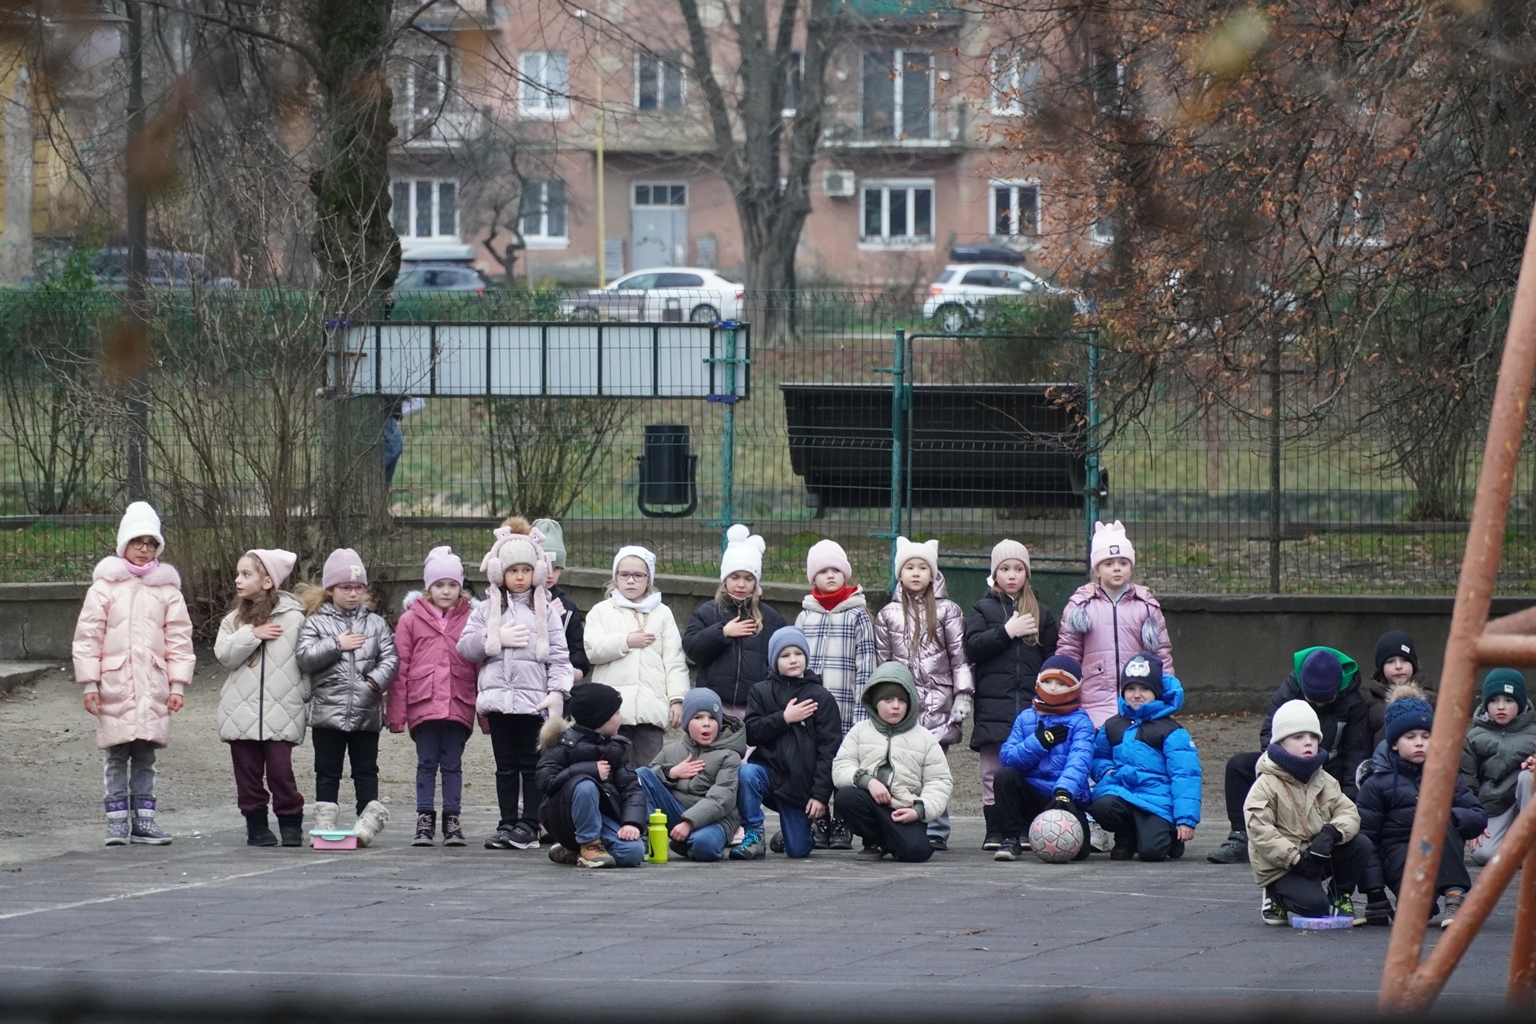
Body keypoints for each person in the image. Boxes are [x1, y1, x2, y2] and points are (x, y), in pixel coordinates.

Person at [71, 502, 195, 847]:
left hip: (153, 685)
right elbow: (88, 638)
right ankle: (116, 821)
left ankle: (144, 820)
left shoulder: (168, 591)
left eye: (151, 543)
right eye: (138, 542)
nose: (144, 549)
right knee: (115, 753)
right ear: (123, 543)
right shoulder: (104, 589)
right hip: (114, 685)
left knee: (145, 755)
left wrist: (178, 684)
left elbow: (179, 640)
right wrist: (90, 684)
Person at [457, 519, 573, 850]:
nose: (519, 576)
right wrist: (494, 637)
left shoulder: (545, 610)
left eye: (526, 569)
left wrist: (556, 693)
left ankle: (529, 824)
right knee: (504, 767)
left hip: (532, 702)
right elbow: (465, 647)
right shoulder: (486, 609)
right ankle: (507, 822)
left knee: (531, 764)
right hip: (498, 701)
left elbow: (560, 657)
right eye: (513, 570)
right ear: (500, 573)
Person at [1208, 646, 1371, 864]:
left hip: (1328, 770)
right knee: (1238, 766)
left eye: (1326, 701)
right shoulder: (1288, 690)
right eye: (1313, 700)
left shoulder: (1353, 702)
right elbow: (1269, 734)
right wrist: (1279, 770)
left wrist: (1349, 808)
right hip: (1286, 766)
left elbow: (1356, 755)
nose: (1319, 705)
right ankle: (1240, 836)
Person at [873, 536, 973, 851]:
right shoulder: (887, 614)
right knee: (901, 764)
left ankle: (937, 828)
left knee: (934, 766)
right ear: (899, 573)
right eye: (909, 567)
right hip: (902, 703)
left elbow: (959, 657)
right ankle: (903, 824)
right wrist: (882, 699)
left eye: (922, 567)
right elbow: (884, 663)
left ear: (933, 573)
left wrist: (963, 694)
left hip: (939, 701)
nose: (916, 573)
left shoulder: (948, 611)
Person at [1358, 685, 1486, 929]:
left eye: (1426, 736)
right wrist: (1375, 894)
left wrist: (1451, 817)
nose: (1419, 743)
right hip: (1400, 856)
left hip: (1439, 851)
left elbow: (1477, 816)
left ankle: (1454, 894)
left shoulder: (1445, 776)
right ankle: (1419, 900)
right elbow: (1368, 838)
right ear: (1394, 743)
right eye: (1410, 737)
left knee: (1440, 818)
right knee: (1418, 911)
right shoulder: (1376, 783)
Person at [296, 548, 398, 846]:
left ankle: (367, 820)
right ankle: (325, 821)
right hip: (327, 712)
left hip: (366, 711)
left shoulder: (376, 623)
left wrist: (374, 683)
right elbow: (304, 657)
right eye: (345, 587)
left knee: (366, 770)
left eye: (358, 588)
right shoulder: (315, 622)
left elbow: (390, 658)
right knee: (327, 770)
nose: (352, 594)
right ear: (330, 589)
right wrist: (336, 644)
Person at [965, 539, 1059, 850]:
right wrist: (1008, 631)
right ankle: (995, 829)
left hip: (1032, 708)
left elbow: (1051, 659)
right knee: (993, 770)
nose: (1012, 575)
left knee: (1028, 766)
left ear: (1027, 574)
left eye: (1018, 569)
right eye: (1004, 569)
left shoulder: (1042, 614)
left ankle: (1022, 827)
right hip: (995, 706)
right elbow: (973, 647)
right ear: (994, 574)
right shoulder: (983, 608)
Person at [1245, 699, 1374, 926]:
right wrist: (1294, 858)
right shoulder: (1266, 783)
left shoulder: (1324, 779)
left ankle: (1339, 895)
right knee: (1314, 907)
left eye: (1314, 737)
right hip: (1281, 865)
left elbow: (1349, 812)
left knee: (1361, 843)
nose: (1309, 743)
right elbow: (1259, 829)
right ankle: (1275, 894)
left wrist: (1332, 832)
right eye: (1298, 737)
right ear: (1281, 743)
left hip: (1317, 856)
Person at [214, 549, 309, 847]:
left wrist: (302, 693)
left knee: (281, 771)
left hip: (282, 709)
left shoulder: (296, 618)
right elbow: (225, 655)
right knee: (248, 773)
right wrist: (254, 633)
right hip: (240, 711)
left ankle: (291, 821)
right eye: (238, 574)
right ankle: (256, 824)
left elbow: (308, 659)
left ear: (268, 581)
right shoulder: (233, 620)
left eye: (246, 574)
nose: (237, 580)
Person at [388, 546, 478, 847]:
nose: (446, 591)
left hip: (458, 701)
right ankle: (424, 820)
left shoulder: (472, 618)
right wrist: (396, 715)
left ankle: (452, 821)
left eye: (452, 585)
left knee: (452, 763)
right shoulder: (410, 620)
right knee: (426, 762)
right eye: (439, 585)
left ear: (460, 587)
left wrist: (486, 717)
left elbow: (480, 664)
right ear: (428, 587)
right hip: (423, 703)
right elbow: (401, 667)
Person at [795, 538, 876, 850]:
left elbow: (866, 666)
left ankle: (843, 820)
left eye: (836, 570)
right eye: (823, 571)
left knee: (843, 764)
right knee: (812, 763)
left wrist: (862, 713)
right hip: (812, 710)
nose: (830, 576)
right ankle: (820, 818)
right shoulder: (805, 616)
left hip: (845, 708)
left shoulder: (856, 615)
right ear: (813, 578)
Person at [1055, 520, 1174, 729]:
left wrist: (1167, 688)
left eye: (1123, 562)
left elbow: (1160, 652)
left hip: (1137, 699)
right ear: (1097, 569)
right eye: (1108, 563)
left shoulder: (1146, 606)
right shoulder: (1080, 606)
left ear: (1131, 566)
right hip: (1092, 702)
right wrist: (1065, 692)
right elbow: (1068, 652)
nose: (1116, 568)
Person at [832, 663, 953, 863]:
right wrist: (868, 781)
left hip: (904, 808)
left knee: (917, 853)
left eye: (901, 700)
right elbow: (841, 767)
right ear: (875, 702)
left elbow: (939, 781)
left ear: (910, 703)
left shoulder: (925, 737)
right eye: (888, 699)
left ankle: (890, 842)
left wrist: (918, 811)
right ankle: (875, 841)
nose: (895, 706)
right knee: (845, 797)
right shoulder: (860, 731)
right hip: (870, 802)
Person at [1087, 652, 1201, 862]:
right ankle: (1125, 836)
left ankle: (1171, 836)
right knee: (1101, 805)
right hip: (1122, 792)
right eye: (1130, 688)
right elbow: (1097, 756)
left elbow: (1186, 775)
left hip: (1156, 799)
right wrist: (1105, 771)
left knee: (1152, 853)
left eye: (1144, 689)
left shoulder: (1170, 731)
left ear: (1156, 692)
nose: (1136, 695)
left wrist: (1186, 819)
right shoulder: (1113, 725)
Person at [583, 545, 688, 768]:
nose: (631, 581)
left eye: (638, 575)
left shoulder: (662, 614)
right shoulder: (601, 611)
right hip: (611, 712)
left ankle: (652, 806)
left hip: (650, 710)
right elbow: (593, 649)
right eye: (625, 575)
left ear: (648, 579)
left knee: (651, 771)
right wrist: (626, 641)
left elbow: (674, 660)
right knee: (616, 771)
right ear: (616, 577)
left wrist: (677, 699)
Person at [742, 626, 843, 858]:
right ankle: (754, 833)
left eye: (798, 654)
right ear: (774, 660)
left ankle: (790, 835)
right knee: (746, 775)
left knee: (798, 850)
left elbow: (829, 750)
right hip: (769, 775)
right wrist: (784, 718)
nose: (793, 660)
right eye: (785, 655)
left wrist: (819, 795)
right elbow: (751, 732)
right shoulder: (760, 691)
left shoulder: (822, 698)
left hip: (800, 786)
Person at [992, 655, 1095, 862]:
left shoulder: (1082, 722)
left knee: (1080, 853)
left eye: (1061, 683)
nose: (1053, 688)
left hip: (1064, 797)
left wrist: (1064, 791)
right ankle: (1011, 839)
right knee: (1005, 777)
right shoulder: (1025, 718)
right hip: (1032, 795)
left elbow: (1080, 760)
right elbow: (1008, 758)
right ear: (1038, 682)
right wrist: (1039, 743)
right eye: (1047, 682)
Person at [536, 682, 646, 868]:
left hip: (602, 816)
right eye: (617, 713)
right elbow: (545, 780)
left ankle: (571, 851)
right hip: (565, 819)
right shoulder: (563, 745)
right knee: (585, 785)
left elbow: (631, 788)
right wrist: (589, 770)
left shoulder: (615, 747)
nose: (622, 717)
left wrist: (631, 823)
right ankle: (588, 845)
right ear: (600, 719)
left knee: (634, 853)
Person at [683, 524, 786, 722]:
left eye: (748, 578)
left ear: (756, 582)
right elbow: (692, 649)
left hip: (754, 705)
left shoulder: (771, 618)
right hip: (714, 706)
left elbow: (778, 659)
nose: (741, 584)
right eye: (735, 577)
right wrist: (723, 633)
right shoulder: (707, 612)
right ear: (725, 579)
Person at [637, 688, 745, 862]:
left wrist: (689, 823)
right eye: (698, 717)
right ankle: (644, 837)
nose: (706, 723)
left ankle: (687, 844)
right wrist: (671, 773)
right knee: (642, 774)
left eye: (712, 718)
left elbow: (721, 799)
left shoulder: (729, 755)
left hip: (716, 819)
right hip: (677, 811)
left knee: (705, 848)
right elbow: (648, 779)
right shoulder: (670, 751)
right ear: (686, 722)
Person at [1461, 668, 1536, 868]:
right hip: (1494, 806)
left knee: (1528, 778)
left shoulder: (1534, 732)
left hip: (1527, 801)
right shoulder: (1474, 736)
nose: (1501, 706)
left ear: (1520, 703)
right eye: (1494, 700)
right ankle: (1517, 851)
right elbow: (1468, 781)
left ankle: (1530, 842)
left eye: (1509, 700)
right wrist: (1474, 820)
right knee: (1483, 854)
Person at [531, 518, 590, 681]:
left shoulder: (568, 607)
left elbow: (578, 650)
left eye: (557, 568)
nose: (551, 573)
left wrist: (576, 668)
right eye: (546, 565)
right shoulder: (514, 599)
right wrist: (548, 616)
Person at [1362, 631, 1434, 746]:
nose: (1398, 666)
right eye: (1390, 661)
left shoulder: (1430, 698)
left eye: (1405, 660)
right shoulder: (1369, 701)